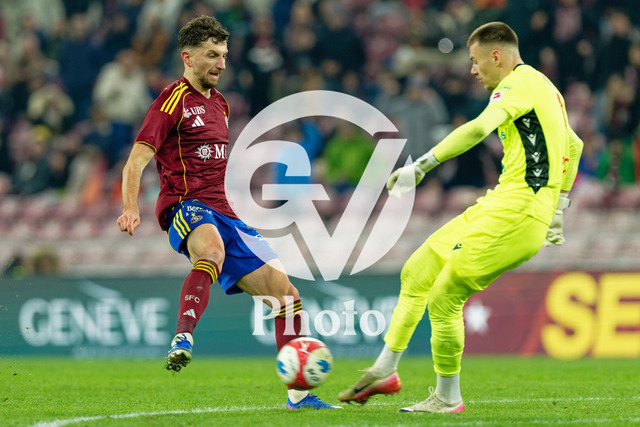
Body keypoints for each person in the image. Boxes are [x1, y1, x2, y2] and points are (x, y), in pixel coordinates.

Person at [338, 22, 583, 413]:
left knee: (445, 296)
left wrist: (421, 166)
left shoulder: (516, 85)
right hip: (503, 202)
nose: (472, 70)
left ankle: (447, 397)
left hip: (519, 211)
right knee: (417, 270)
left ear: (496, 56)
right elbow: (574, 143)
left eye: (475, 60)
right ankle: (385, 368)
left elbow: (479, 128)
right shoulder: (546, 87)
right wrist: (559, 207)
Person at [116, 15, 340, 410]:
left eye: (223, 55)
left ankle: (299, 395)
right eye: (211, 55)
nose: (221, 64)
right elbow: (135, 161)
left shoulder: (220, 104)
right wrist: (130, 208)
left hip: (225, 211)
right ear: (188, 57)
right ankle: (183, 336)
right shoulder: (170, 101)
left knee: (287, 296)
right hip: (185, 204)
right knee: (212, 251)